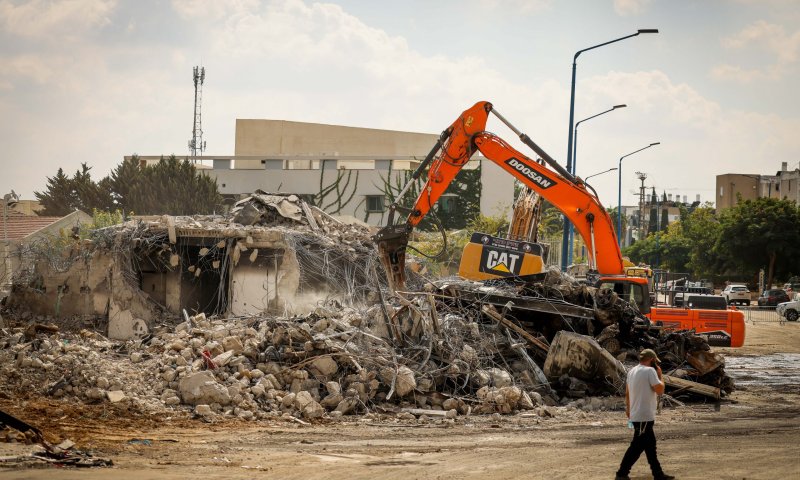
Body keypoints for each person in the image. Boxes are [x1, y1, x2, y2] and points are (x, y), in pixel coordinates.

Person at [615, 349, 675, 480]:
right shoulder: (650, 371)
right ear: (652, 360)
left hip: (637, 414)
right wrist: (660, 376)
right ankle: (621, 473)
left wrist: (629, 410)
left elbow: (627, 393)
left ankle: (657, 473)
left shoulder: (631, 371)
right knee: (637, 446)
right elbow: (660, 390)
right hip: (644, 416)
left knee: (650, 445)